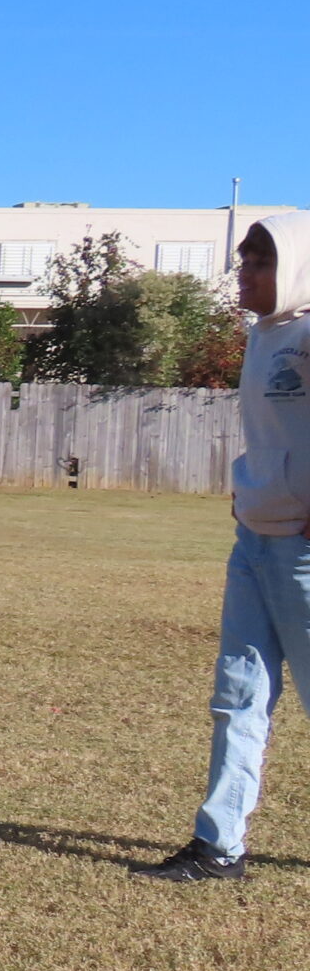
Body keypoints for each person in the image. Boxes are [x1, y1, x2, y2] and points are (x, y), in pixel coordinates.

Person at [131, 215, 310, 882]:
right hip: (254, 543)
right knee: (238, 695)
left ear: (294, 266)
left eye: (261, 261)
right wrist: (252, 492)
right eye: (244, 260)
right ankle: (220, 846)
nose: (247, 273)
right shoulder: (263, 337)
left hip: (302, 551)